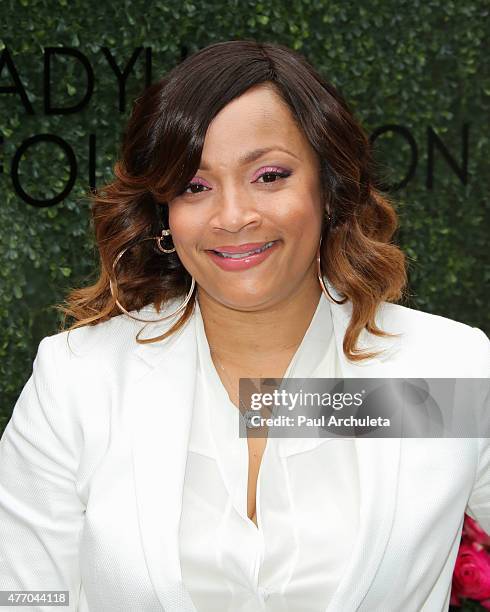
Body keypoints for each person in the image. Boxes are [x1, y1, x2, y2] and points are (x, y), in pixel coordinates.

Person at [0, 39, 488, 612]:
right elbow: (28, 596)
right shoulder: (80, 379)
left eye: (269, 176)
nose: (233, 216)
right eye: (195, 186)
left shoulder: (446, 370)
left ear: (329, 189)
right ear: (165, 214)